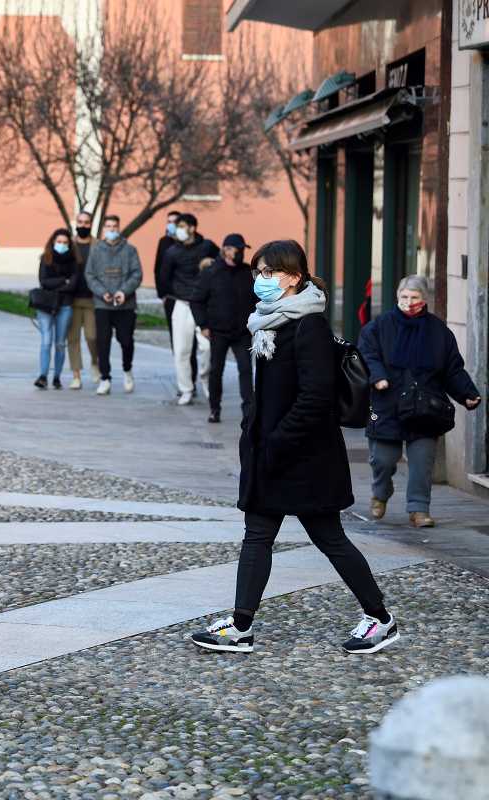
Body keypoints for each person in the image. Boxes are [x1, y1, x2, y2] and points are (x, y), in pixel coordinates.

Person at [191, 240, 399, 656]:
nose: (260, 280)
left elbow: (315, 397)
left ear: (294, 276)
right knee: (258, 535)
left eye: (268, 272)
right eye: (257, 272)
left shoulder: (309, 327)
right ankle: (242, 625)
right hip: (272, 452)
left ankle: (380, 619)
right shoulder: (268, 322)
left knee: (330, 538)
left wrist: (276, 443)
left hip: (305, 457)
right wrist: (257, 439)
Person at [358, 275, 482, 528]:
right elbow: (366, 355)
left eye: (414, 297)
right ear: (397, 297)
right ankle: (380, 493)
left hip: (426, 407)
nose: (409, 302)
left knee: (421, 464)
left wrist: (467, 393)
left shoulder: (439, 332)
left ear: (424, 300)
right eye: (404, 297)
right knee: (382, 459)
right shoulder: (378, 327)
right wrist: (378, 377)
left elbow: (452, 369)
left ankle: (419, 509)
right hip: (386, 405)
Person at [191, 233, 256, 424]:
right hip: (218, 331)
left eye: (243, 249)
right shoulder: (211, 273)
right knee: (216, 370)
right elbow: (196, 300)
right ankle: (214, 408)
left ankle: (248, 410)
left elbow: (257, 300)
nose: (241, 253)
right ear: (226, 250)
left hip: (242, 332)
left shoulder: (248, 273)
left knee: (245, 369)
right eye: (237, 249)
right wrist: (203, 325)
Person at [162, 213, 218, 405]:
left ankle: (206, 379)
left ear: (193, 228)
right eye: (177, 226)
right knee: (181, 350)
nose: (178, 229)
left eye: (183, 225)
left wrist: (210, 265)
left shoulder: (208, 246)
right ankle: (186, 389)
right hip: (182, 304)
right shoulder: (171, 252)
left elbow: (221, 266)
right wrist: (174, 294)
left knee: (208, 347)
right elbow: (164, 278)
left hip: (204, 305)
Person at [85, 214, 141, 396]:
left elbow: (136, 274)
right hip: (103, 304)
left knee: (126, 340)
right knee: (103, 342)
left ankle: (127, 370)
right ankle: (105, 378)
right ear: (103, 229)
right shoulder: (96, 250)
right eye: (108, 226)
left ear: (119, 228)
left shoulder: (130, 250)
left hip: (125, 305)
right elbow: (90, 275)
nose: (111, 229)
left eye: (114, 226)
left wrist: (123, 292)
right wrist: (103, 293)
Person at [34, 228, 80, 389]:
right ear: (53, 242)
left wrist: (59, 284)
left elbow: (73, 285)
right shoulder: (45, 258)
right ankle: (43, 376)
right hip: (46, 305)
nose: (61, 245)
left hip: (65, 305)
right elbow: (44, 282)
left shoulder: (74, 261)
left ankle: (57, 377)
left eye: (65, 242)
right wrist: (63, 281)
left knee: (60, 343)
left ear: (70, 244)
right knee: (46, 341)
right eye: (59, 242)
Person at [155, 210, 197, 387]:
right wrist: (162, 294)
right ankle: (184, 381)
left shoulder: (200, 245)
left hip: (193, 298)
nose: (172, 225)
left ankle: (193, 378)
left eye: (176, 222)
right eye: (169, 222)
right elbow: (159, 271)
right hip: (172, 298)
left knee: (194, 342)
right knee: (178, 341)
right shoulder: (165, 243)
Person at [68, 211, 100, 389]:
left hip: (92, 299)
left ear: (91, 224)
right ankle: (76, 375)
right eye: (80, 222)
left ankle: (95, 362)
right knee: (72, 339)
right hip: (71, 299)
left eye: (86, 222)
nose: (83, 225)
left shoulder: (99, 245)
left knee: (92, 336)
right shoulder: (69, 245)